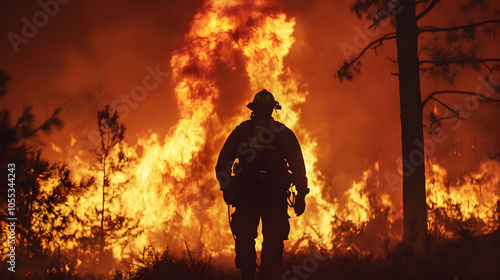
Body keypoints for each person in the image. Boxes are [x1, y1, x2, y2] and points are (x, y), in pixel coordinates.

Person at [215, 89, 309, 280]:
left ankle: (248, 275)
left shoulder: (242, 132)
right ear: (273, 110)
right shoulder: (283, 134)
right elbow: (298, 168)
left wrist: (228, 188)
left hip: (247, 196)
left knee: (245, 240)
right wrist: (300, 196)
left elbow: (222, 163)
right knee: (273, 243)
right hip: (274, 197)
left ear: (253, 111)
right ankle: (266, 275)